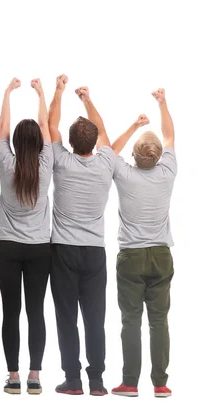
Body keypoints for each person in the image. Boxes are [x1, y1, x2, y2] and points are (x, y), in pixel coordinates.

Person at [47, 75, 115, 396]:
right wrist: (87, 99)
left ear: (71, 143)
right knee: (95, 319)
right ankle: (97, 381)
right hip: (94, 252)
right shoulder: (106, 163)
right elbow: (101, 131)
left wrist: (59, 90)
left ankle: (73, 380)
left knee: (66, 318)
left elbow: (51, 124)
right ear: (94, 142)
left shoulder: (60, 159)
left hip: (63, 251)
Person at [109, 88, 176, 398]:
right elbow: (169, 133)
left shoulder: (123, 173)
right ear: (159, 157)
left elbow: (109, 149)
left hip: (131, 257)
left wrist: (134, 127)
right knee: (159, 320)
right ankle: (160, 383)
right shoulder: (167, 171)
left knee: (131, 320)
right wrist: (162, 102)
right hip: (161, 256)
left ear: (133, 156)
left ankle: (130, 383)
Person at [0, 77, 53, 395]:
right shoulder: (47, 163)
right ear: (41, 145)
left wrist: (7, 93)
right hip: (40, 250)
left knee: (11, 311)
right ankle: (35, 376)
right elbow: (44, 124)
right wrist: (41, 93)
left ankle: (13, 376)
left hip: (6, 248)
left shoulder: (6, 162)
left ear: (17, 143)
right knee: (35, 312)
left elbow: (2, 129)